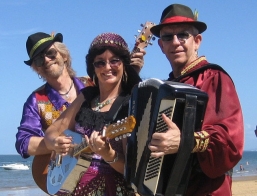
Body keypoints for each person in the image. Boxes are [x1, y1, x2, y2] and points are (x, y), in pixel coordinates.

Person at [148, 4, 244, 195]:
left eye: (183, 35)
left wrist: (185, 141)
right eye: (167, 37)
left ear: (197, 41)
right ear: (161, 45)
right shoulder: (164, 89)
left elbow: (231, 142)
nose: (175, 42)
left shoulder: (214, 77)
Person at [15, 32, 145, 159]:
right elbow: (23, 143)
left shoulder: (92, 85)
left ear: (64, 55)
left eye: (50, 53)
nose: (46, 60)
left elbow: (117, 89)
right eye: (38, 59)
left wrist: (132, 71)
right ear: (36, 68)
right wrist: (54, 145)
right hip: (61, 173)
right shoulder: (36, 100)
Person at [44, 32, 142, 195]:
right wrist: (55, 143)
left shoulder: (129, 104)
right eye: (100, 63)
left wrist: (108, 154)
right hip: (70, 183)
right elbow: (51, 133)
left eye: (114, 60)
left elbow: (130, 169)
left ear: (124, 64)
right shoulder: (86, 96)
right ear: (93, 67)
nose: (107, 67)